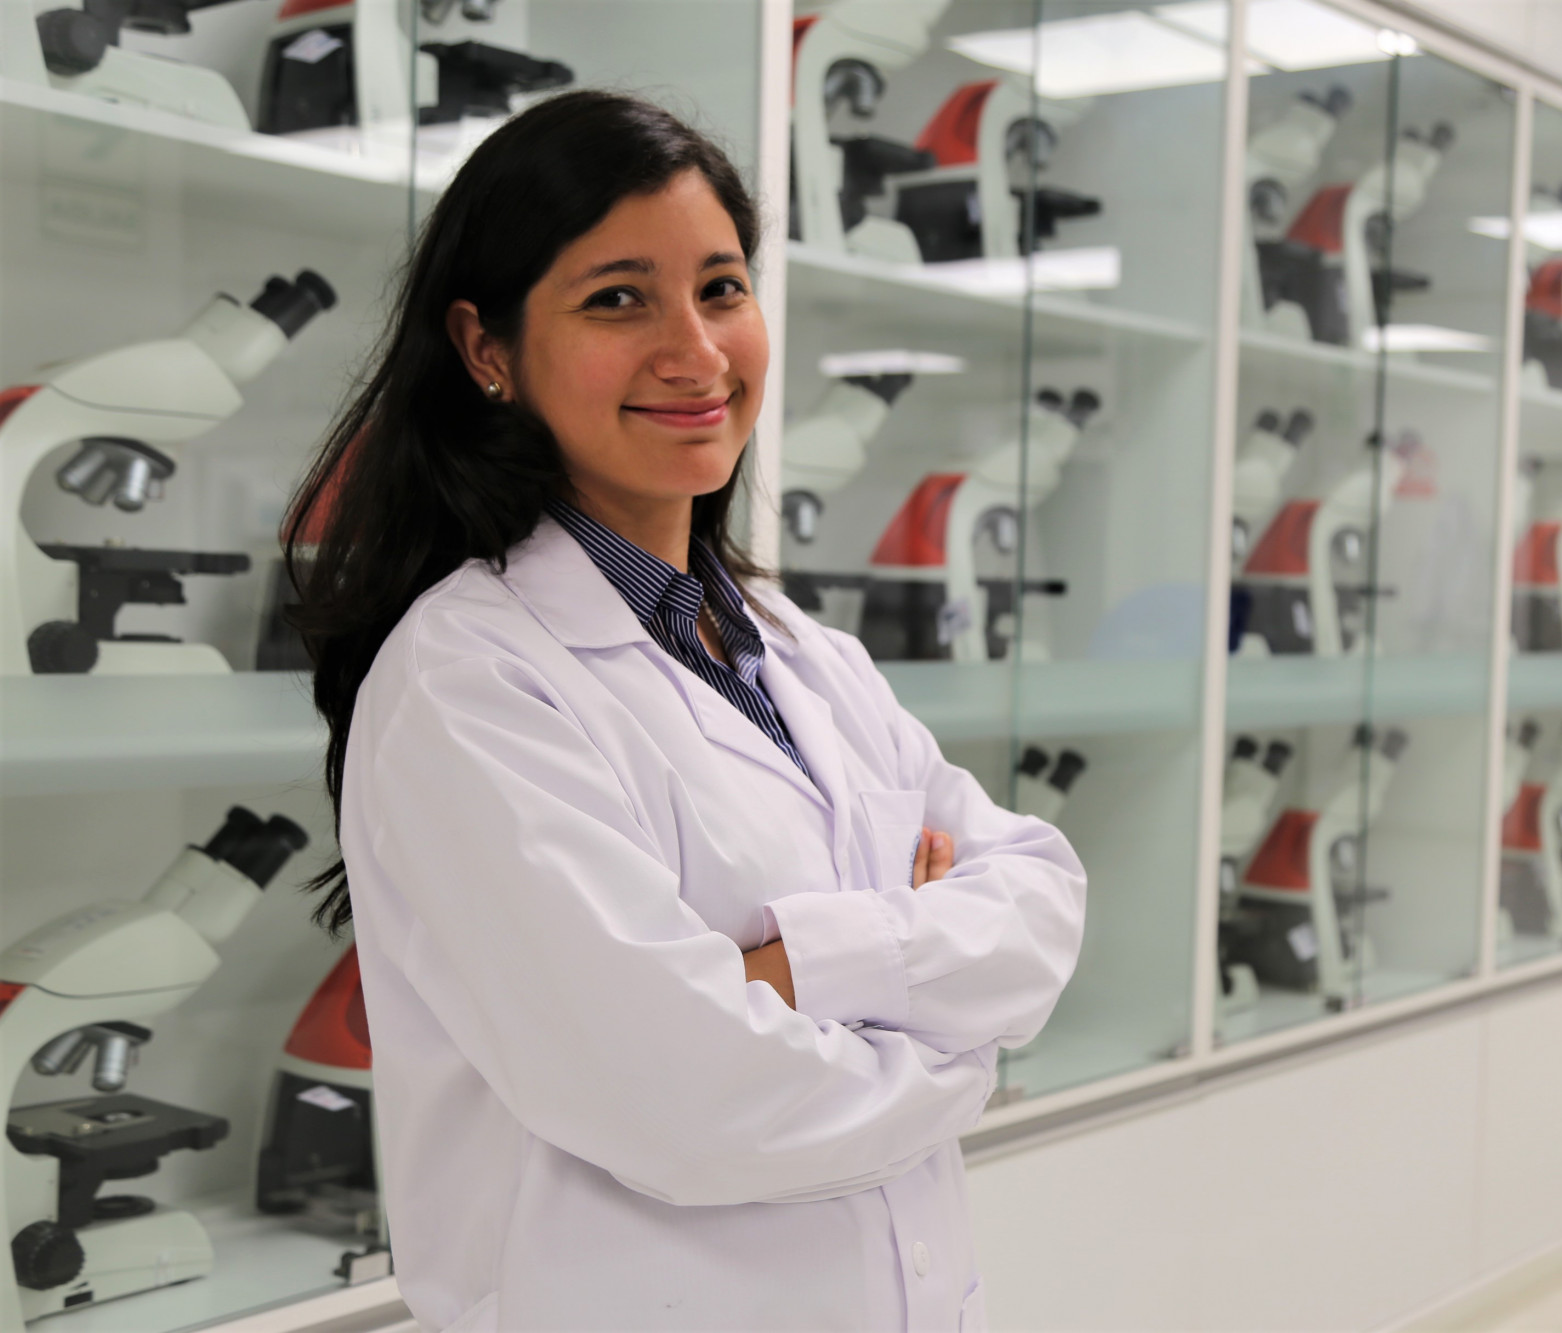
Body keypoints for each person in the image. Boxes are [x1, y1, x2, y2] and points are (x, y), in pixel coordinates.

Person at [286, 90, 1086, 1332]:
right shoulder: (467, 681)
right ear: (487, 348)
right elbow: (685, 1096)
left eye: (720, 288)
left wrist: (796, 966)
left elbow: (1040, 898)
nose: (697, 352)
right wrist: (956, 1037)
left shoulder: (803, 654)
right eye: (618, 299)